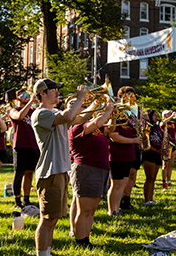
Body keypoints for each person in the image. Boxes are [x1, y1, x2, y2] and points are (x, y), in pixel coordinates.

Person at [31, 79, 98, 256]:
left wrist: (97, 105)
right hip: (49, 172)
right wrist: (80, 98)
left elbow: (79, 118)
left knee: (53, 219)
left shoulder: (54, 112)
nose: (57, 92)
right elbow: (68, 116)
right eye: (53, 90)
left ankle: (47, 251)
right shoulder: (41, 114)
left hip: (60, 171)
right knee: (46, 219)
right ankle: (42, 254)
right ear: (42, 94)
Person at [68, 96, 114, 249]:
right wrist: (107, 111)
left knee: (91, 210)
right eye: (83, 107)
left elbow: (110, 129)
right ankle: (80, 242)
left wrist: (112, 116)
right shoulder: (76, 127)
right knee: (84, 209)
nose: (87, 109)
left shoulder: (91, 126)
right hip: (86, 169)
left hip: (100, 168)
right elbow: (97, 122)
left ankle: (86, 239)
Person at [106, 101, 141, 217]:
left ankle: (117, 208)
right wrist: (133, 141)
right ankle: (111, 211)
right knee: (115, 184)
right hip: (117, 155)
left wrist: (138, 126)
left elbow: (134, 134)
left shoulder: (127, 120)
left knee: (123, 183)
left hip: (128, 154)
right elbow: (114, 137)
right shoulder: (114, 121)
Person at [9, 88, 39, 209]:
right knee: (19, 173)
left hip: (34, 146)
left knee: (29, 173)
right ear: (18, 98)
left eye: (29, 94)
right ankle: (17, 200)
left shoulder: (33, 110)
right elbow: (20, 116)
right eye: (24, 95)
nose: (27, 96)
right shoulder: (13, 110)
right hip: (21, 146)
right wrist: (30, 102)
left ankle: (26, 199)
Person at [117, 86, 142, 211]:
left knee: (132, 174)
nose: (130, 97)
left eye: (132, 95)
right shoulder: (119, 109)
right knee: (122, 177)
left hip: (134, 144)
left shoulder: (135, 109)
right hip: (123, 145)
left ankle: (127, 199)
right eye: (127, 95)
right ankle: (119, 200)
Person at [141, 109, 163, 205]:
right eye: (154, 115)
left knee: (153, 178)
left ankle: (151, 198)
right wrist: (156, 150)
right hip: (149, 154)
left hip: (158, 154)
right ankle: (146, 200)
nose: (156, 117)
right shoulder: (148, 127)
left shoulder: (157, 127)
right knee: (149, 178)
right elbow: (146, 142)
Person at [161, 110, 176, 188]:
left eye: (170, 113)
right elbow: (163, 123)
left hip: (173, 145)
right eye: (168, 114)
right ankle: (164, 181)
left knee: (171, 164)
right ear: (164, 115)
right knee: (165, 165)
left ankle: (169, 181)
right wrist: (171, 116)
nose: (170, 114)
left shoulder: (173, 123)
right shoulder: (162, 122)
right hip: (165, 145)